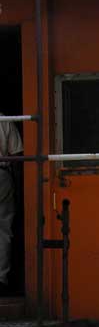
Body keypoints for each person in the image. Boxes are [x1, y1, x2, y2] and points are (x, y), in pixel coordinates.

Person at [0, 114, 24, 293]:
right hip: (2, 174)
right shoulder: (5, 119)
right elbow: (16, 155)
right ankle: (1, 278)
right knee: (3, 228)